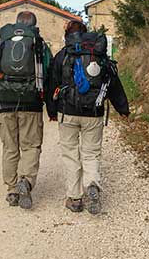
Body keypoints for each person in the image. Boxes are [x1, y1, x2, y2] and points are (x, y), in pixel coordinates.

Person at [47, 21, 130, 214]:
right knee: (91, 153)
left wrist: (52, 111)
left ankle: (75, 198)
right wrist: (123, 108)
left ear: (68, 35)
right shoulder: (99, 56)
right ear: (86, 34)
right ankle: (91, 185)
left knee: (71, 154)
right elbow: (113, 83)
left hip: (67, 112)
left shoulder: (63, 55)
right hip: (94, 112)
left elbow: (52, 83)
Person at [0, 11, 55, 209]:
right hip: (32, 102)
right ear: (34, 25)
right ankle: (25, 182)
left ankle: (11, 190)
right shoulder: (40, 44)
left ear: (16, 23)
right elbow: (50, 74)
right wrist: (53, 107)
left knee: (10, 147)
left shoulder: (1, 43)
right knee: (30, 145)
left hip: (5, 101)